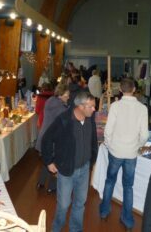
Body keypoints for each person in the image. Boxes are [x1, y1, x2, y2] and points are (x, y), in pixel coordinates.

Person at [41, 91, 98, 232]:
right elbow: (46, 139)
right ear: (80, 106)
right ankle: (56, 228)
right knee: (64, 204)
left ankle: (76, 229)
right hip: (66, 170)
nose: (94, 109)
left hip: (84, 169)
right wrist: (49, 161)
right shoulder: (63, 120)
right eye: (91, 106)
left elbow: (93, 140)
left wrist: (92, 159)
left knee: (80, 203)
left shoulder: (90, 118)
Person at [99, 77, 149, 231]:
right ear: (134, 89)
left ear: (120, 89)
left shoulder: (115, 106)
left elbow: (108, 131)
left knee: (109, 181)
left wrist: (109, 145)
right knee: (128, 187)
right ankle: (127, 220)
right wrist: (138, 146)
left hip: (115, 151)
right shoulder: (142, 108)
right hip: (131, 153)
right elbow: (145, 135)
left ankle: (104, 211)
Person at [35, 83, 70, 192]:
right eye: (67, 95)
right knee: (55, 162)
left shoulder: (51, 100)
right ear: (61, 94)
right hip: (51, 139)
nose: (68, 97)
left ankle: (40, 183)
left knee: (47, 161)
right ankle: (52, 187)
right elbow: (68, 116)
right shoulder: (59, 107)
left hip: (43, 137)